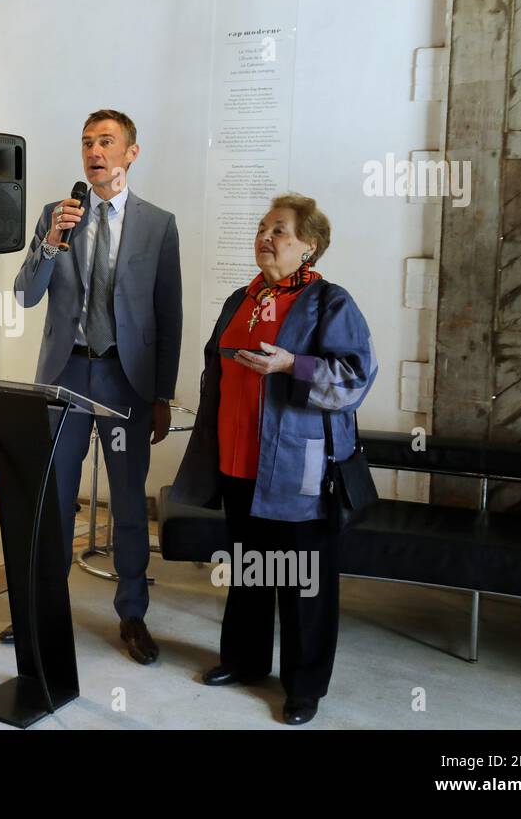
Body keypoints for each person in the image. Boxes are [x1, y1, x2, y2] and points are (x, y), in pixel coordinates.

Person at [170, 193, 376, 724]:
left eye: (280, 230)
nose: (267, 237)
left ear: (308, 246)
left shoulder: (331, 302)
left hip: (299, 470)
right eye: (263, 228)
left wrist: (294, 366)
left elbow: (356, 377)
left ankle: (304, 687)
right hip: (240, 462)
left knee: (305, 580)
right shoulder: (240, 297)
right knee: (250, 570)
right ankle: (244, 661)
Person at [11, 109, 182, 664]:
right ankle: (44, 607)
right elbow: (25, 293)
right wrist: (54, 239)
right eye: (87, 142)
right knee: (55, 500)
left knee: (129, 502)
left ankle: (132, 613)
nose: (95, 152)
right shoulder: (55, 215)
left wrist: (161, 396)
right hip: (65, 374)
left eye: (107, 142)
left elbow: (168, 316)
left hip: (125, 380)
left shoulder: (158, 224)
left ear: (132, 152)